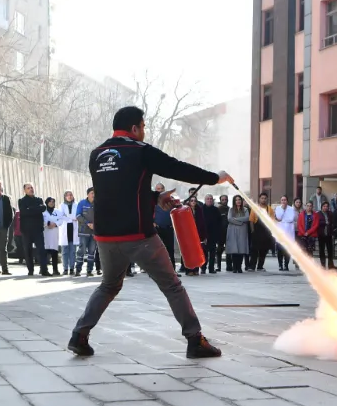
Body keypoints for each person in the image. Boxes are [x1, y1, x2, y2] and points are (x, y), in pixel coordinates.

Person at [68, 105, 231, 359]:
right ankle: (194, 339)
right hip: (138, 236)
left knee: (108, 285)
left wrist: (155, 197)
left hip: (106, 236)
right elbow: (178, 168)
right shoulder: (140, 151)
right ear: (134, 128)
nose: (144, 131)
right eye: (143, 127)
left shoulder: (97, 154)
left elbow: (118, 190)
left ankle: (79, 334)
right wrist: (214, 178)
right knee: (172, 286)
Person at [18, 183, 50, 277]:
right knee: (28, 251)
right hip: (26, 229)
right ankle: (30, 270)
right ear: (25, 190)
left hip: (38, 229)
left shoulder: (39, 199)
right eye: (28, 188)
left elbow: (43, 208)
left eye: (31, 187)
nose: (31, 189)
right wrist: (36, 209)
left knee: (41, 250)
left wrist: (30, 209)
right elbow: (24, 212)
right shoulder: (22, 201)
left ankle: (44, 270)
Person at [153, 182, 179, 275]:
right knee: (157, 251)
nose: (159, 191)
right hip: (157, 229)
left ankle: (172, 271)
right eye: (157, 189)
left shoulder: (169, 200)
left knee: (170, 250)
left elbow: (176, 209)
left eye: (161, 189)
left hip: (168, 228)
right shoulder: (152, 201)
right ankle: (157, 271)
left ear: (164, 190)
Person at [248, 193, 274, 271]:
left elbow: (272, 221)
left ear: (267, 199)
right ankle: (252, 266)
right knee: (254, 250)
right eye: (262, 198)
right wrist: (252, 231)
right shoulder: (255, 208)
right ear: (259, 199)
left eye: (265, 198)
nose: (263, 199)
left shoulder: (270, 209)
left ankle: (260, 266)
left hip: (266, 232)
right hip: (256, 231)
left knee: (264, 250)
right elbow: (251, 221)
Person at [225, 195, 250, 273]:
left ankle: (239, 267)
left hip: (242, 230)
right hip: (232, 230)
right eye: (236, 200)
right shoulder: (231, 209)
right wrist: (240, 222)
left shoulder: (245, 209)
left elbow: (247, 218)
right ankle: (234, 267)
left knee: (241, 248)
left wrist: (235, 219)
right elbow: (229, 219)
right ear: (234, 201)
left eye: (239, 199)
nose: (238, 201)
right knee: (234, 248)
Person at [58, 191, 80, 275]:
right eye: (67, 195)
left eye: (71, 195)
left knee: (73, 251)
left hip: (73, 228)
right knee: (65, 251)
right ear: (65, 197)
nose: (69, 196)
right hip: (65, 228)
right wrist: (71, 218)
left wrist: (70, 217)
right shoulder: (62, 205)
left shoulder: (76, 204)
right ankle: (65, 268)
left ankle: (71, 268)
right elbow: (61, 215)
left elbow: (77, 215)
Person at [76, 189, 97, 277]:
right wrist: (87, 223)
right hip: (84, 231)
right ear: (88, 194)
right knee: (82, 250)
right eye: (92, 193)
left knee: (92, 251)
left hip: (94, 232)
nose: (93, 195)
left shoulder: (97, 203)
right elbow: (78, 215)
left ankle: (89, 270)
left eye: (94, 193)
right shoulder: (82, 203)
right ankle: (78, 270)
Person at [184, 196, 207, 276]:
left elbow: (202, 223)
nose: (193, 202)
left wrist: (204, 237)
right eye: (191, 200)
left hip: (197, 234)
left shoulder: (199, 210)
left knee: (196, 252)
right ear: (189, 202)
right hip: (188, 234)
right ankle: (189, 270)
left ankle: (196, 269)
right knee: (189, 253)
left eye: (195, 201)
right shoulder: (185, 210)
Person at [274, 196, 296, 271]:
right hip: (280, 232)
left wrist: (282, 220)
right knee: (280, 250)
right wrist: (283, 211)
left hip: (289, 232)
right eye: (282, 200)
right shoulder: (278, 208)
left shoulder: (291, 208)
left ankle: (286, 265)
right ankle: (280, 265)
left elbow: (291, 218)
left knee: (287, 250)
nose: (283, 201)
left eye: (285, 200)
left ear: (287, 201)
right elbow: (278, 217)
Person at [202, 195, 223, 274]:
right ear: (205, 200)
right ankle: (203, 268)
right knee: (204, 252)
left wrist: (218, 234)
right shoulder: (201, 209)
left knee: (212, 252)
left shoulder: (216, 210)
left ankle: (211, 268)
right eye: (208, 199)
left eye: (211, 199)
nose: (209, 200)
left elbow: (219, 222)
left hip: (213, 234)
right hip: (204, 234)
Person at [43, 197, 61, 275]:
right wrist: (47, 224)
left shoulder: (58, 211)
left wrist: (55, 224)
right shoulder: (43, 212)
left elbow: (61, 219)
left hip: (54, 233)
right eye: (50, 201)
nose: (51, 203)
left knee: (54, 253)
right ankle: (43, 268)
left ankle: (55, 269)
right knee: (44, 252)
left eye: (53, 201)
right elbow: (41, 220)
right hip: (46, 233)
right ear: (47, 203)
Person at [318, 200, 336, 269]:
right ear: (321, 207)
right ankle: (323, 265)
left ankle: (330, 265)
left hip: (329, 234)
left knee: (330, 250)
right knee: (321, 250)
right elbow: (318, 223)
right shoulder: (318, 214)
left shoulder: (330, 213)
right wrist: (325, 223)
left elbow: (332, 222)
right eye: (324, 206)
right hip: (321, 234)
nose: (325, 207)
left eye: (327, 206)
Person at [216, 194, 230, 272]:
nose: (224, 201)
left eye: (225, 199)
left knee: (229, 250)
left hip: (228, 232)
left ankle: (229, 266)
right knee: (219, 250)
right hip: (220, 232)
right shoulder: (218, 209)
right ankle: (218, 266)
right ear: (220, 200)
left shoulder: (230, 209)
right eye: (223, 200)